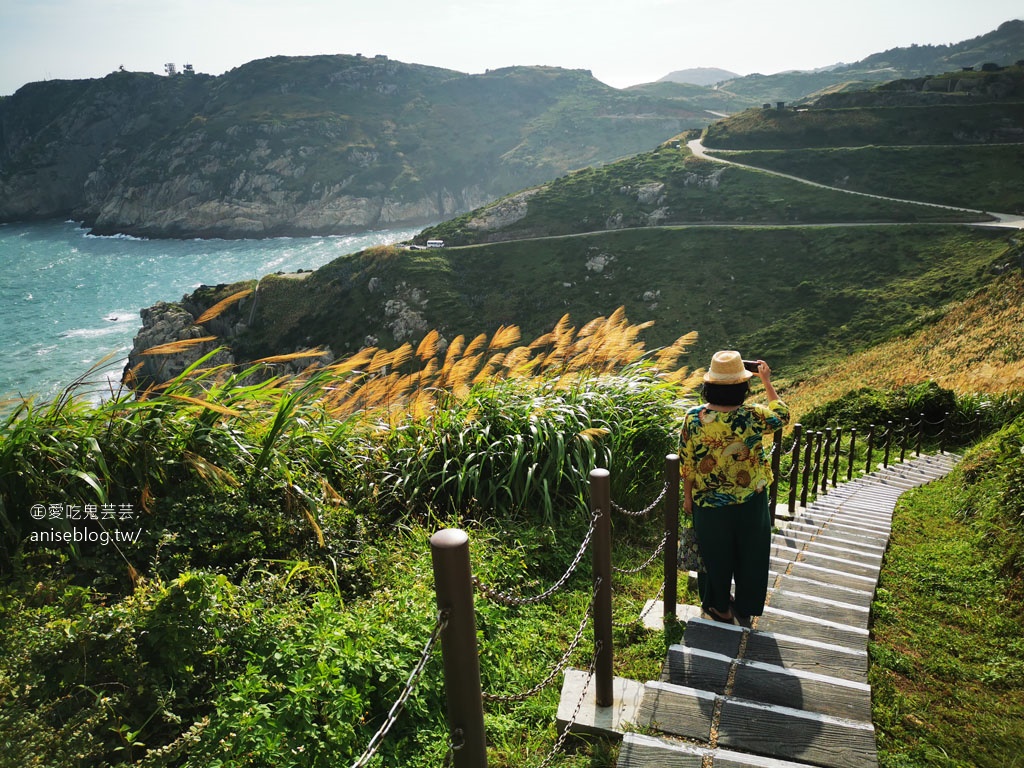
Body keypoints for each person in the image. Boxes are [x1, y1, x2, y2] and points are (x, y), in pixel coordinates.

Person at [679, 350, 789, 625]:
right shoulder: (753, 415)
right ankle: (747, 606)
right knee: (752, 553)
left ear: (709, 386)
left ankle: (719, 607)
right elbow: (782, 416)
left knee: (714, 555)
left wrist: (687, 497)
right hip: (751, 499)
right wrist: (767, 381)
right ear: (743, 386)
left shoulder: (694, 418)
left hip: (709, 502)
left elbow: (687, 462)